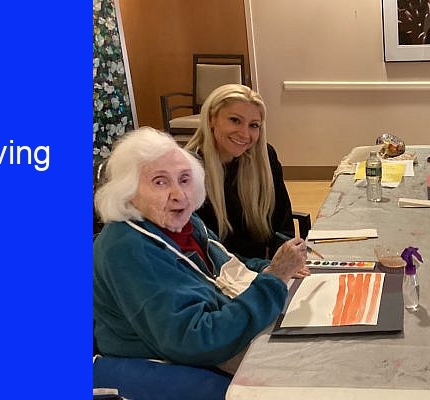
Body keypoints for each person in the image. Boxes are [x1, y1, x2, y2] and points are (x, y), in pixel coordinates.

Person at [93, 127, 309, 400]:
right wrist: (274, 279)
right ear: (127, 191)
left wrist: (269, 268)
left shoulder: (183, 222)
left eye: (184, 179)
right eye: (160, 182)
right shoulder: (129, 248)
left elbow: (226, 266)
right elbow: (196, 340)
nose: (179, 194)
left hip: (216, 336)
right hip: (171, 363)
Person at [184, 84, 295, 259]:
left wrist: (285, 258)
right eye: (235, 120)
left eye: (254, 125)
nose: (244, 134)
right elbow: (203, 249)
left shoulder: (265, 157)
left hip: (266, 266)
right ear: (212, 118)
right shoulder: (187, 171)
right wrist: (264, 268)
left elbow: (282, 224)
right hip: (219, 269)